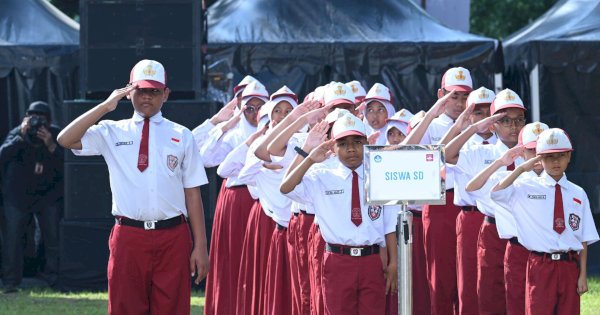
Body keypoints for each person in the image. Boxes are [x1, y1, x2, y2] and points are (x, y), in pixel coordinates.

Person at [57, 59, 209, 314]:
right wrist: (106, 106)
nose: (147, 98)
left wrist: (201, 246)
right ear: (129, 93)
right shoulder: (111, 131)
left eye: (154, 91)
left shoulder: (182, 135)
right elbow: (65, 139)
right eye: (140, 91)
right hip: (128, 235)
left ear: (166, 94)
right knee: (124, 306)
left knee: (172, 307)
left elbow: (193, 193)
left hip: (173, 235)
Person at [281, 112, 398, 315]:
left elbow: (388, 223)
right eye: (343, 143)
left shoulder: (379, 174)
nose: (351, 149)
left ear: (366, 144)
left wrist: (394, 262)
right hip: (337, 260)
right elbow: (286, 188)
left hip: (371, 259)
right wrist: (310, 159)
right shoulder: (322, 177)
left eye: (357, 142)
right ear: (333, 148)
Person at [491, 128, 599, 315]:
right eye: (549, 157)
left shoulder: (578, 193)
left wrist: (582, 275)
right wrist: (521, 168)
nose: (556, 161)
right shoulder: (525, 187)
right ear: (539, 159)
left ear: (569, 157)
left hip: (569, 266)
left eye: (561, 155)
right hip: (540, 265)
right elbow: (497, 193)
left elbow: (583, 238)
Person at [444, 88, 527, 314]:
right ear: (493, 125)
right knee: (489, 295)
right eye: (506, 120)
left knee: (522, 297)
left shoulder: (531, 153)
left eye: (519, 120)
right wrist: (472, 128)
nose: (513, 126)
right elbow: (446, 155)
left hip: (524, 233)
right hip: (491, 229)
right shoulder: (481, 152)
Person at [402, 66, 473, 314]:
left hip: (472, 206)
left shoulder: (479, 125)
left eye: (465, 96)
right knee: (441, 279)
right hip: (440, 203)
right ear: (441, 94)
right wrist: (432, 114)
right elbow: (406, 151)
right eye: (453, 96)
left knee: (470, 279)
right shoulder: (430, 125)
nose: (459, 102)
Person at [465, 122, 549, 315]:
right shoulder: (510, 178)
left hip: (544, 253)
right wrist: (501, 162)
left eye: (542, 151)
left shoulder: (557, 180)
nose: (537, 157)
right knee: (515, 304)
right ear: (521, 152)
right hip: (518, 249)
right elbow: (471, 187)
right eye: (531, 150)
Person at [0, 101, 63, 293]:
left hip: (47, 195)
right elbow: (2, 155)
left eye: (41, 118)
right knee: (13, 239)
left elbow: (67, 162)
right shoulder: (17, 132)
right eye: (33, 117)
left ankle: (54, 280)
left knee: (52, 238)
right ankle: (11, 282)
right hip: (18, 195)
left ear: (49, 120)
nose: (37, 123)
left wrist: (51, 144)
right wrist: (21, 135)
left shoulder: (55, 133)